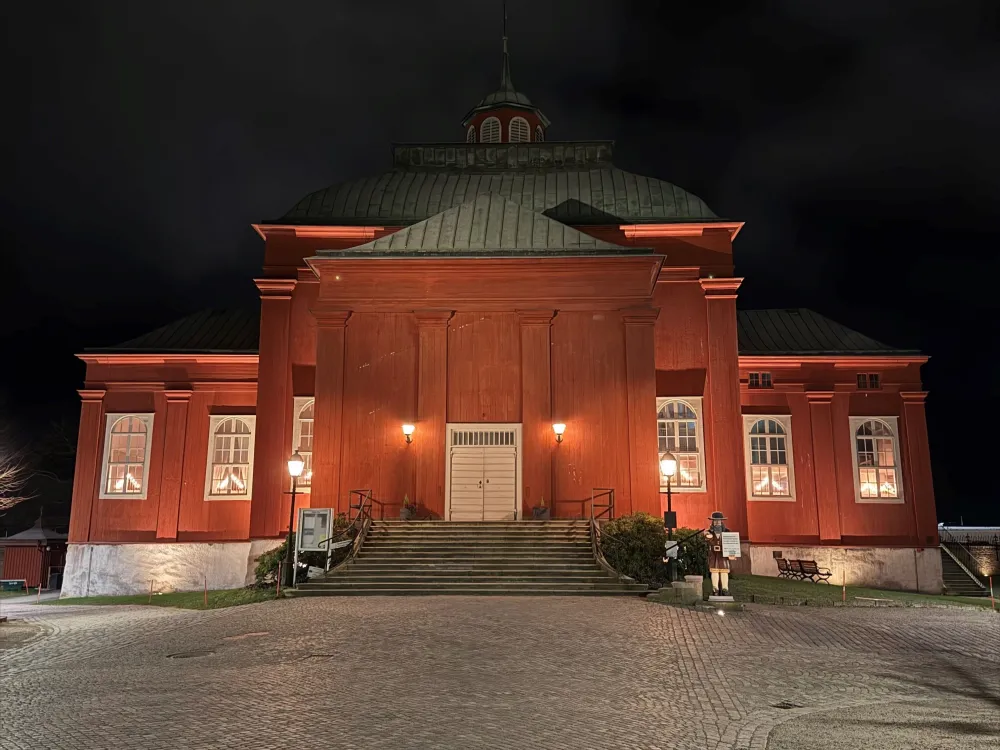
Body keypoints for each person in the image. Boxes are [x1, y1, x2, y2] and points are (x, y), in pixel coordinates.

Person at [705, 511, 731, 596]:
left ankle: (725, 589)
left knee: (724, 571)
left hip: (723, 554)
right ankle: (715, 588)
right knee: (714, 571)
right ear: (712, 522)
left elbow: (731, 543)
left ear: (721, 521)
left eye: (718, 521)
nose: (717, 522)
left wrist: (732, 552)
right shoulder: (709, 532)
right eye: (715, 521)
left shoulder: (727, 532)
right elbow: (706, 541)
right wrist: (707, 537)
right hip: (713, 554)